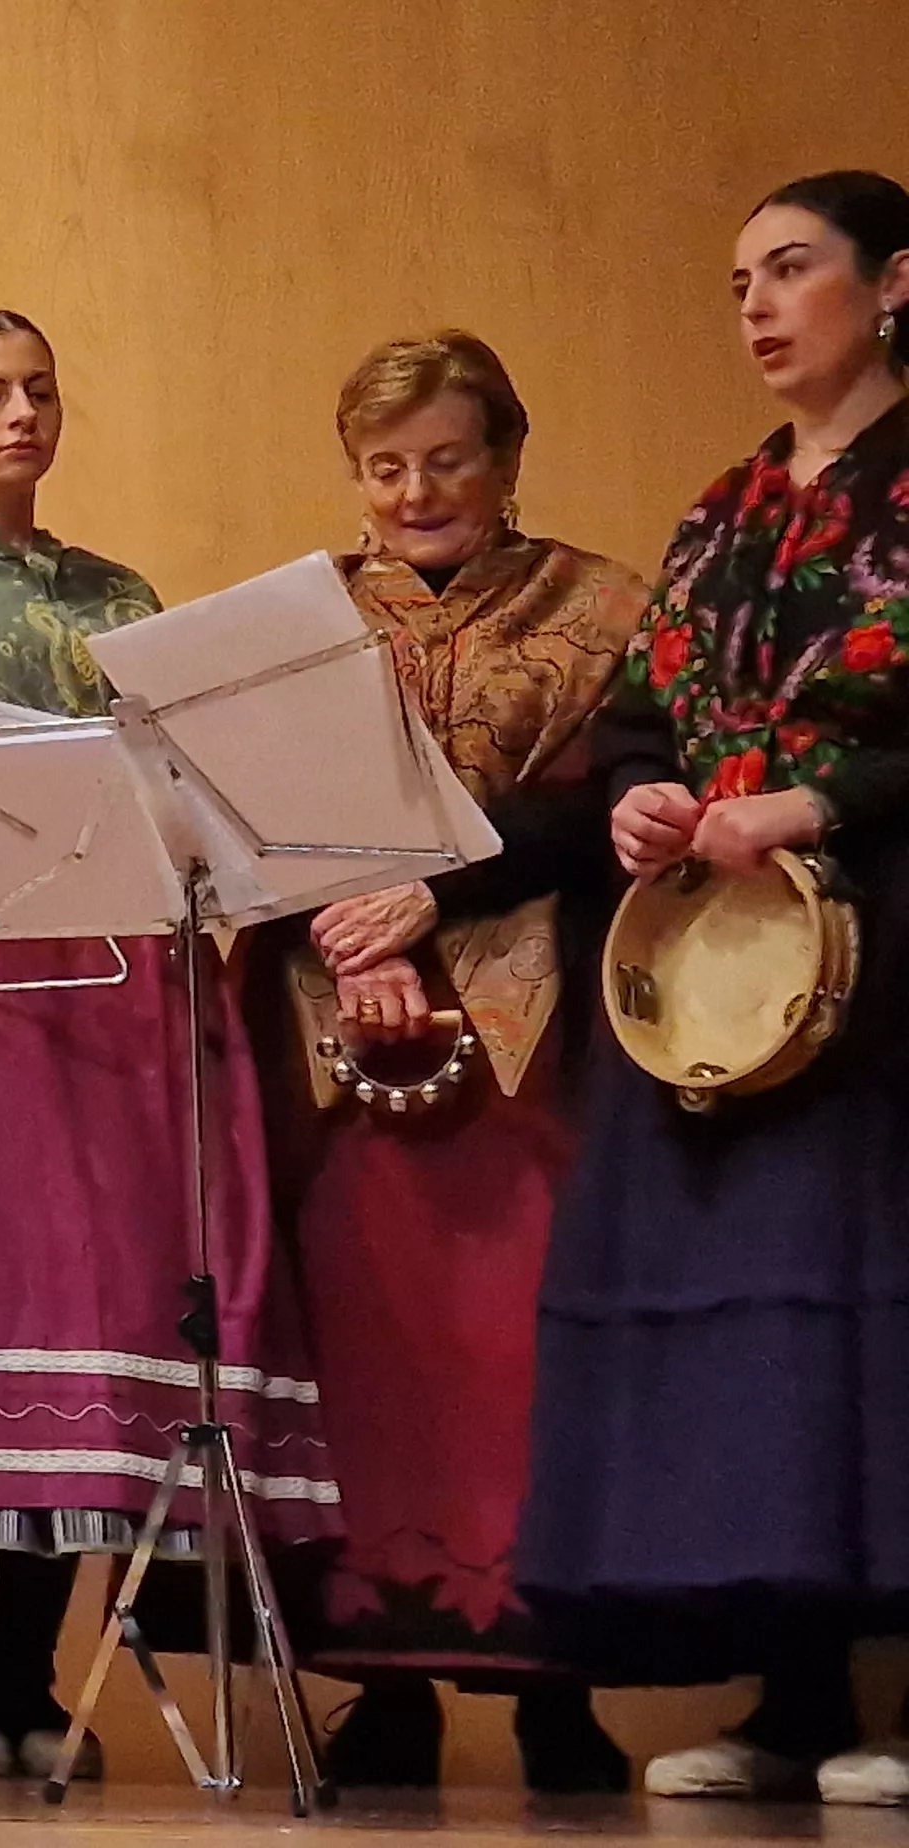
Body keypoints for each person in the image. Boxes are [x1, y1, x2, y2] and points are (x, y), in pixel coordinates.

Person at [0, 309, 335, 1782]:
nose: (21, 413)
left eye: (40, 389)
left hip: (113, 966)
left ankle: (34, 1678)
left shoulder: (119, 592)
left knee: (89, 1317)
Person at [522, 169, 909, 1808]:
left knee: (873, 1309)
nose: (757, 303)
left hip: (882, 950)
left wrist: (820, 802)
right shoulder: (724, 506)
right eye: (739, 276)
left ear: (894, 283)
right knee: (753, 1337)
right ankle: (793, 1692)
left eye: (794, 268)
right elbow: (640, 715)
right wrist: (642, 794)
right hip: (710, 970)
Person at [265, 332, 644, 1793]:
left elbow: (606, 805)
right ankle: (389, 1684)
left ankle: (560, 1690)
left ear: (507, 459)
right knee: (365, 1360)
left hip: (538, 1037)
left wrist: (440, 901)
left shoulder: (605, 604)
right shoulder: (292, 625)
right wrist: (349, 942)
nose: (416, 489)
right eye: (385, 464)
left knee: (531, 1357)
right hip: (329, 1030)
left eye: (448, 457)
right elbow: (244, 811)